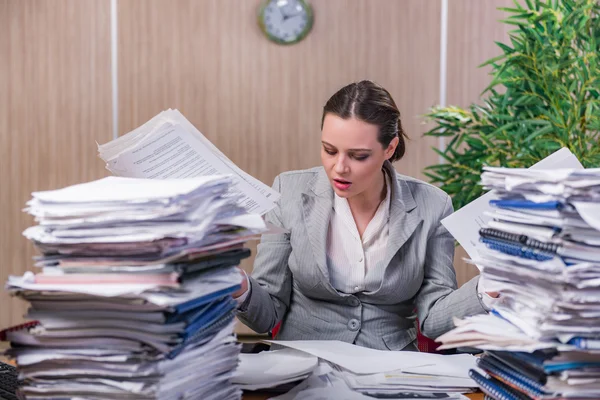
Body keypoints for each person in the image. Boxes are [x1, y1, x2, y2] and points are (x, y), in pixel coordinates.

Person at [235, 80, 496, 351]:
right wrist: (240, 287)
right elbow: (267, 314)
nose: (339, 168)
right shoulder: (288, 191)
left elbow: (433, 319)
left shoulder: (432, 204)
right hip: (302, 362)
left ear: (390, 148)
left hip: (390, 367)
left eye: (358, 156)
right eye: (329, 150)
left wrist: (487, 288)